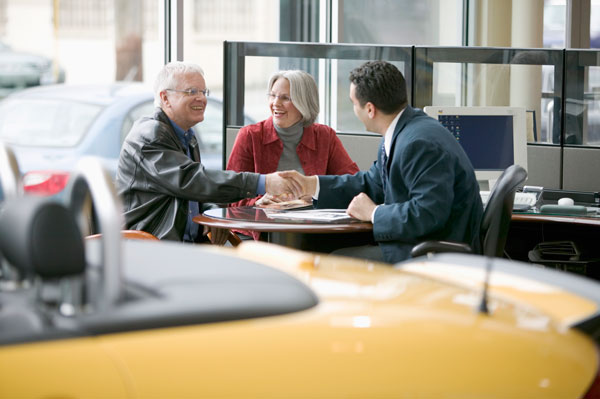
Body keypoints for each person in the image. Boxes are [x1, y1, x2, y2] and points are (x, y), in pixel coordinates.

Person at [281, 60, 483, 264]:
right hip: (416, 244)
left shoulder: (419, 144)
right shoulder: (403, 131)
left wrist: (374, 212)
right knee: (319, 248)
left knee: (330, 261)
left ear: (370, 109)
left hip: (428, 254)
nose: (353, 109)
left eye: (353, 103)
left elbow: (427, 213)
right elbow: (372, 183)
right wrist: (311, 185)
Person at [116, 61, 301, 245]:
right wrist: (264, 183)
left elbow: (191, 195)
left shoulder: (186, 135)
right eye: (191, 92)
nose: (202, 98)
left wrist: (211, 213)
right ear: (165, 98)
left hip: (184, 248)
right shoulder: (150, 135)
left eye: (203, 92)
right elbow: (192, 180)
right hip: (150, 251)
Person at [226, 70, 359, 238]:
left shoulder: (325, 137)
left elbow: (352, 184)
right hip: (260, 234)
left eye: (285, 98)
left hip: (313, 234)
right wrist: (256, 203)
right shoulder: (250, 136)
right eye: (272, 95)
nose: (275, 103)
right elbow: (231, 196)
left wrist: (317, 196)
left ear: (304, 103)